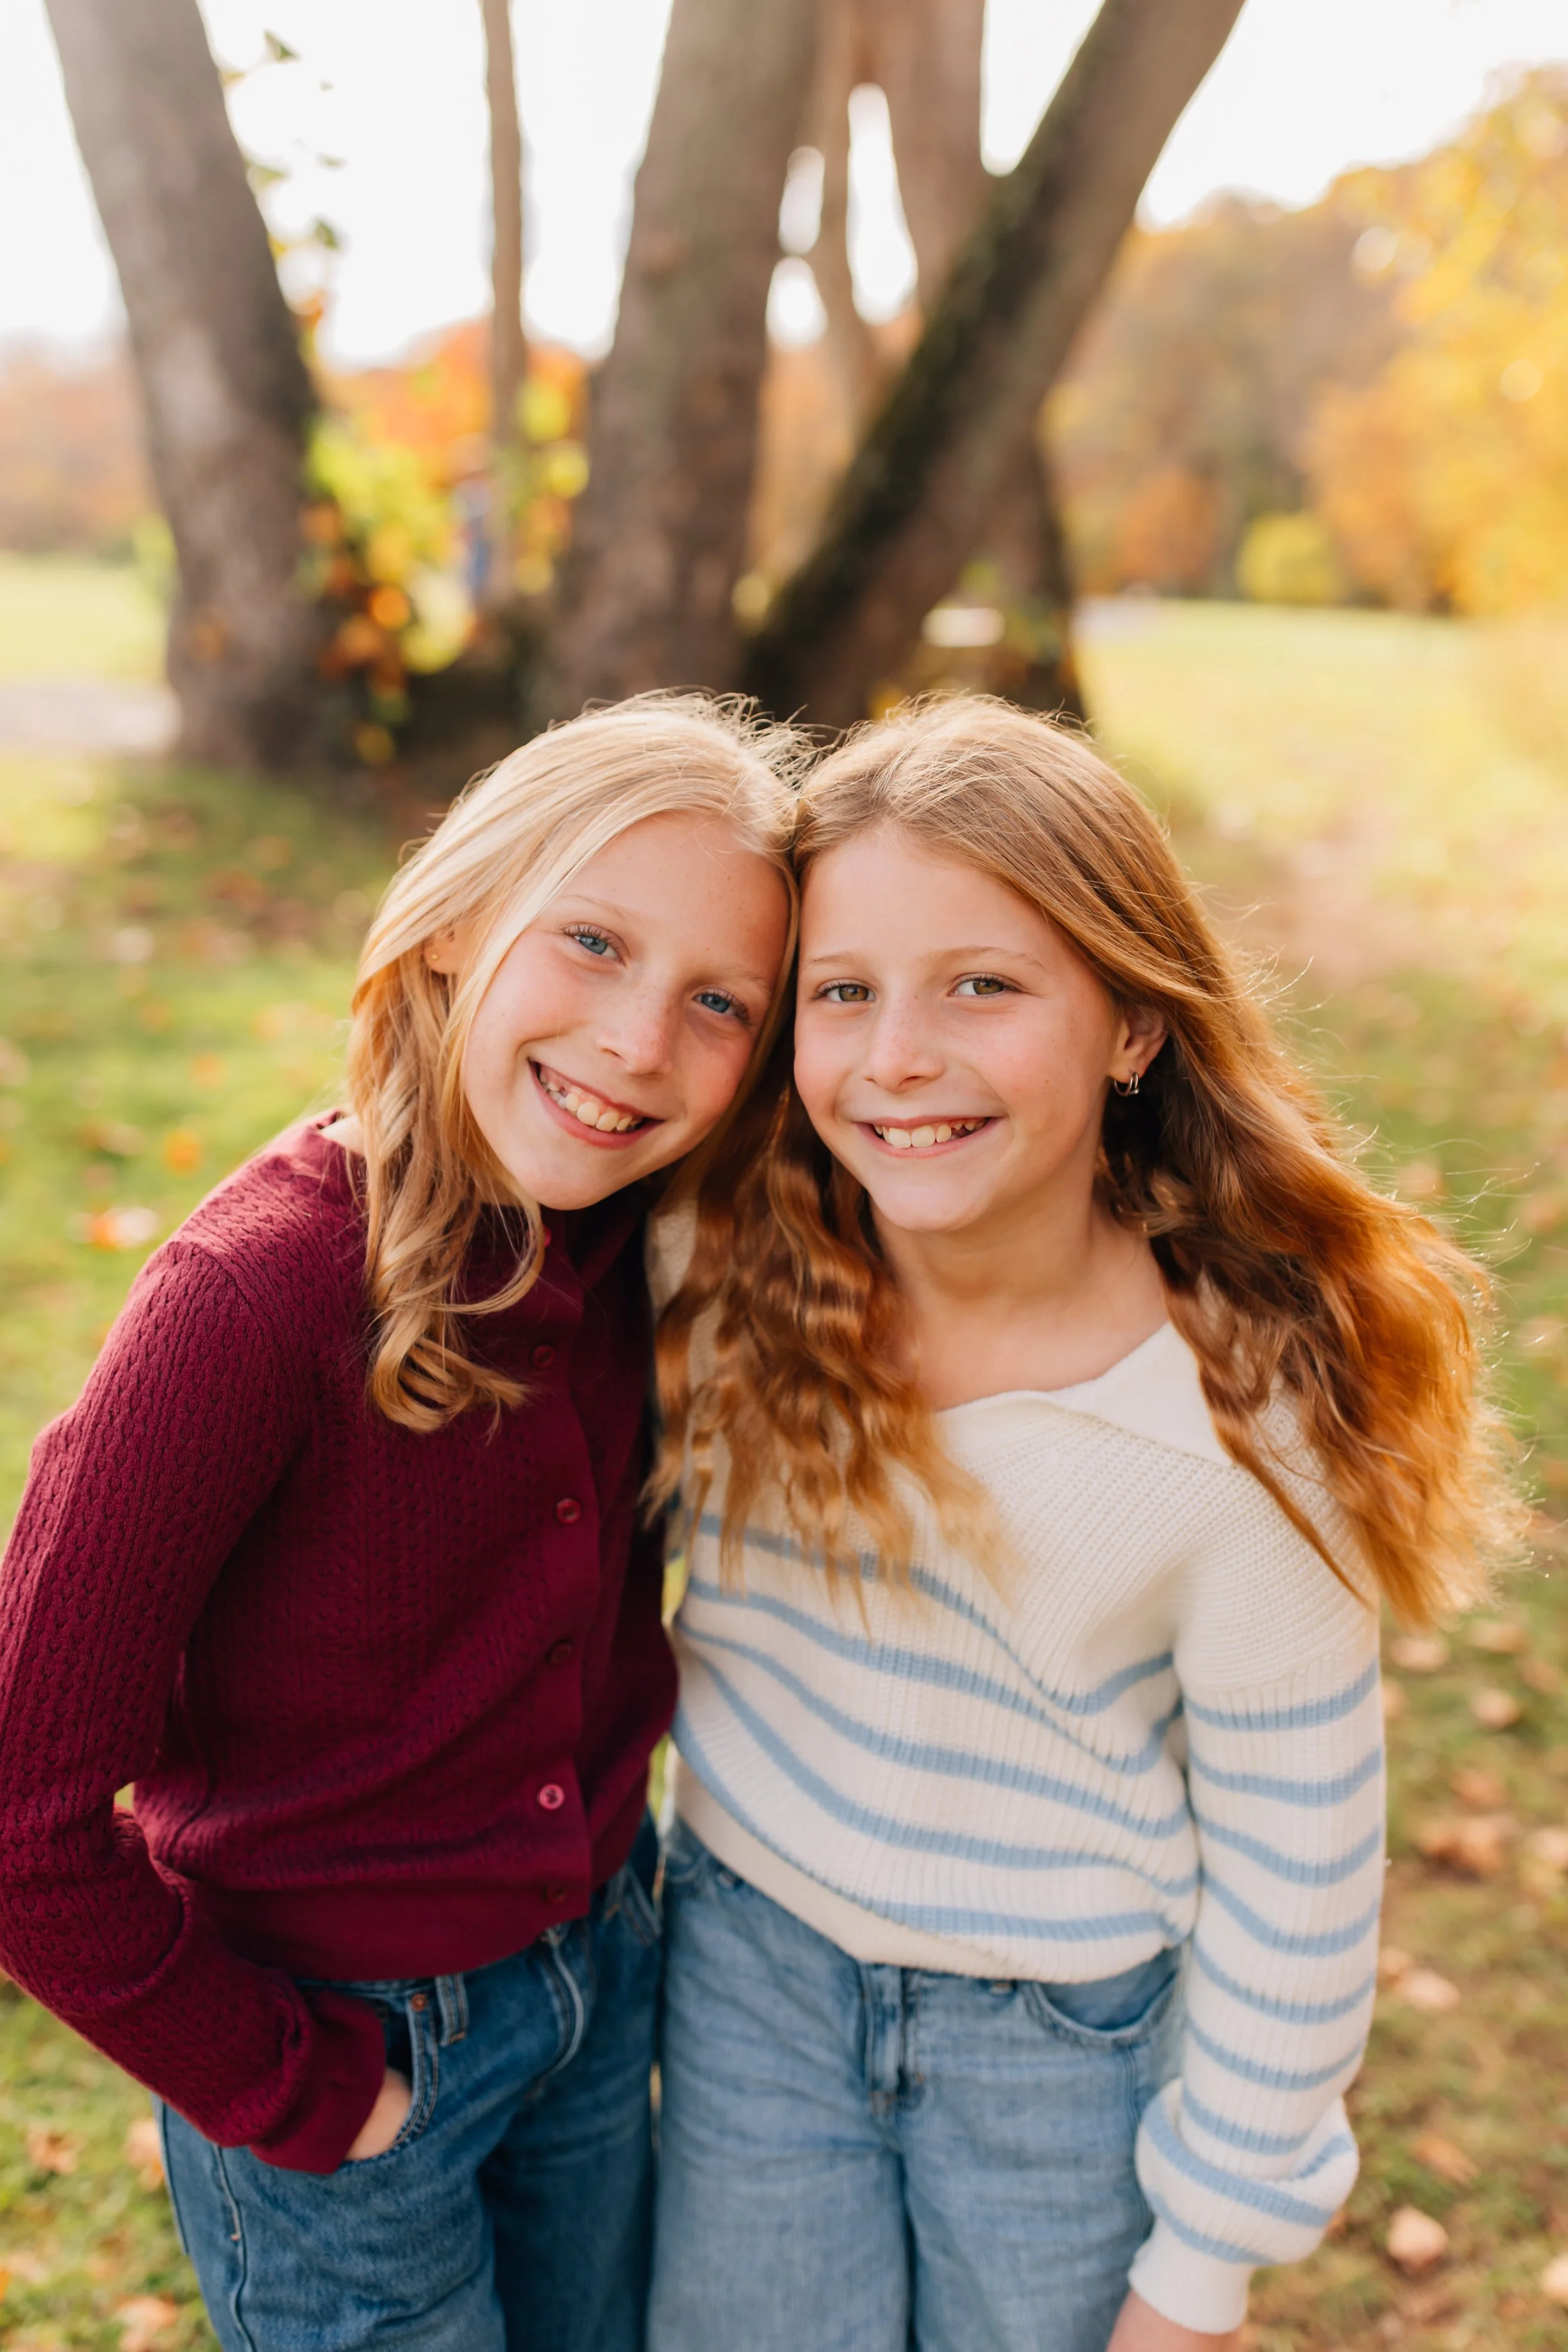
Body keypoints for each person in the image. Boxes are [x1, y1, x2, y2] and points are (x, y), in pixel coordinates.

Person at [646, 697, 1513, 2352]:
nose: (895, 1053)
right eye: (842, 991)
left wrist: (1197, 2274)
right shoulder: (720, 1276)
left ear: (1129, 1023)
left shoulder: (1235, 1424)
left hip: (1053, 2049)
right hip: (748, 1970)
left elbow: (1294, 1873)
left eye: (982, 982)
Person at [0, 695, 797, 2352]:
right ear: (449, 926)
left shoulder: (635, 1249)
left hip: (594, 1979)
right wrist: (293, 2086)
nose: (639, 1040)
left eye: (717, 999)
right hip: (339, 2053)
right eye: (589, 940)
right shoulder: (256, 1298)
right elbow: (20, 1812)